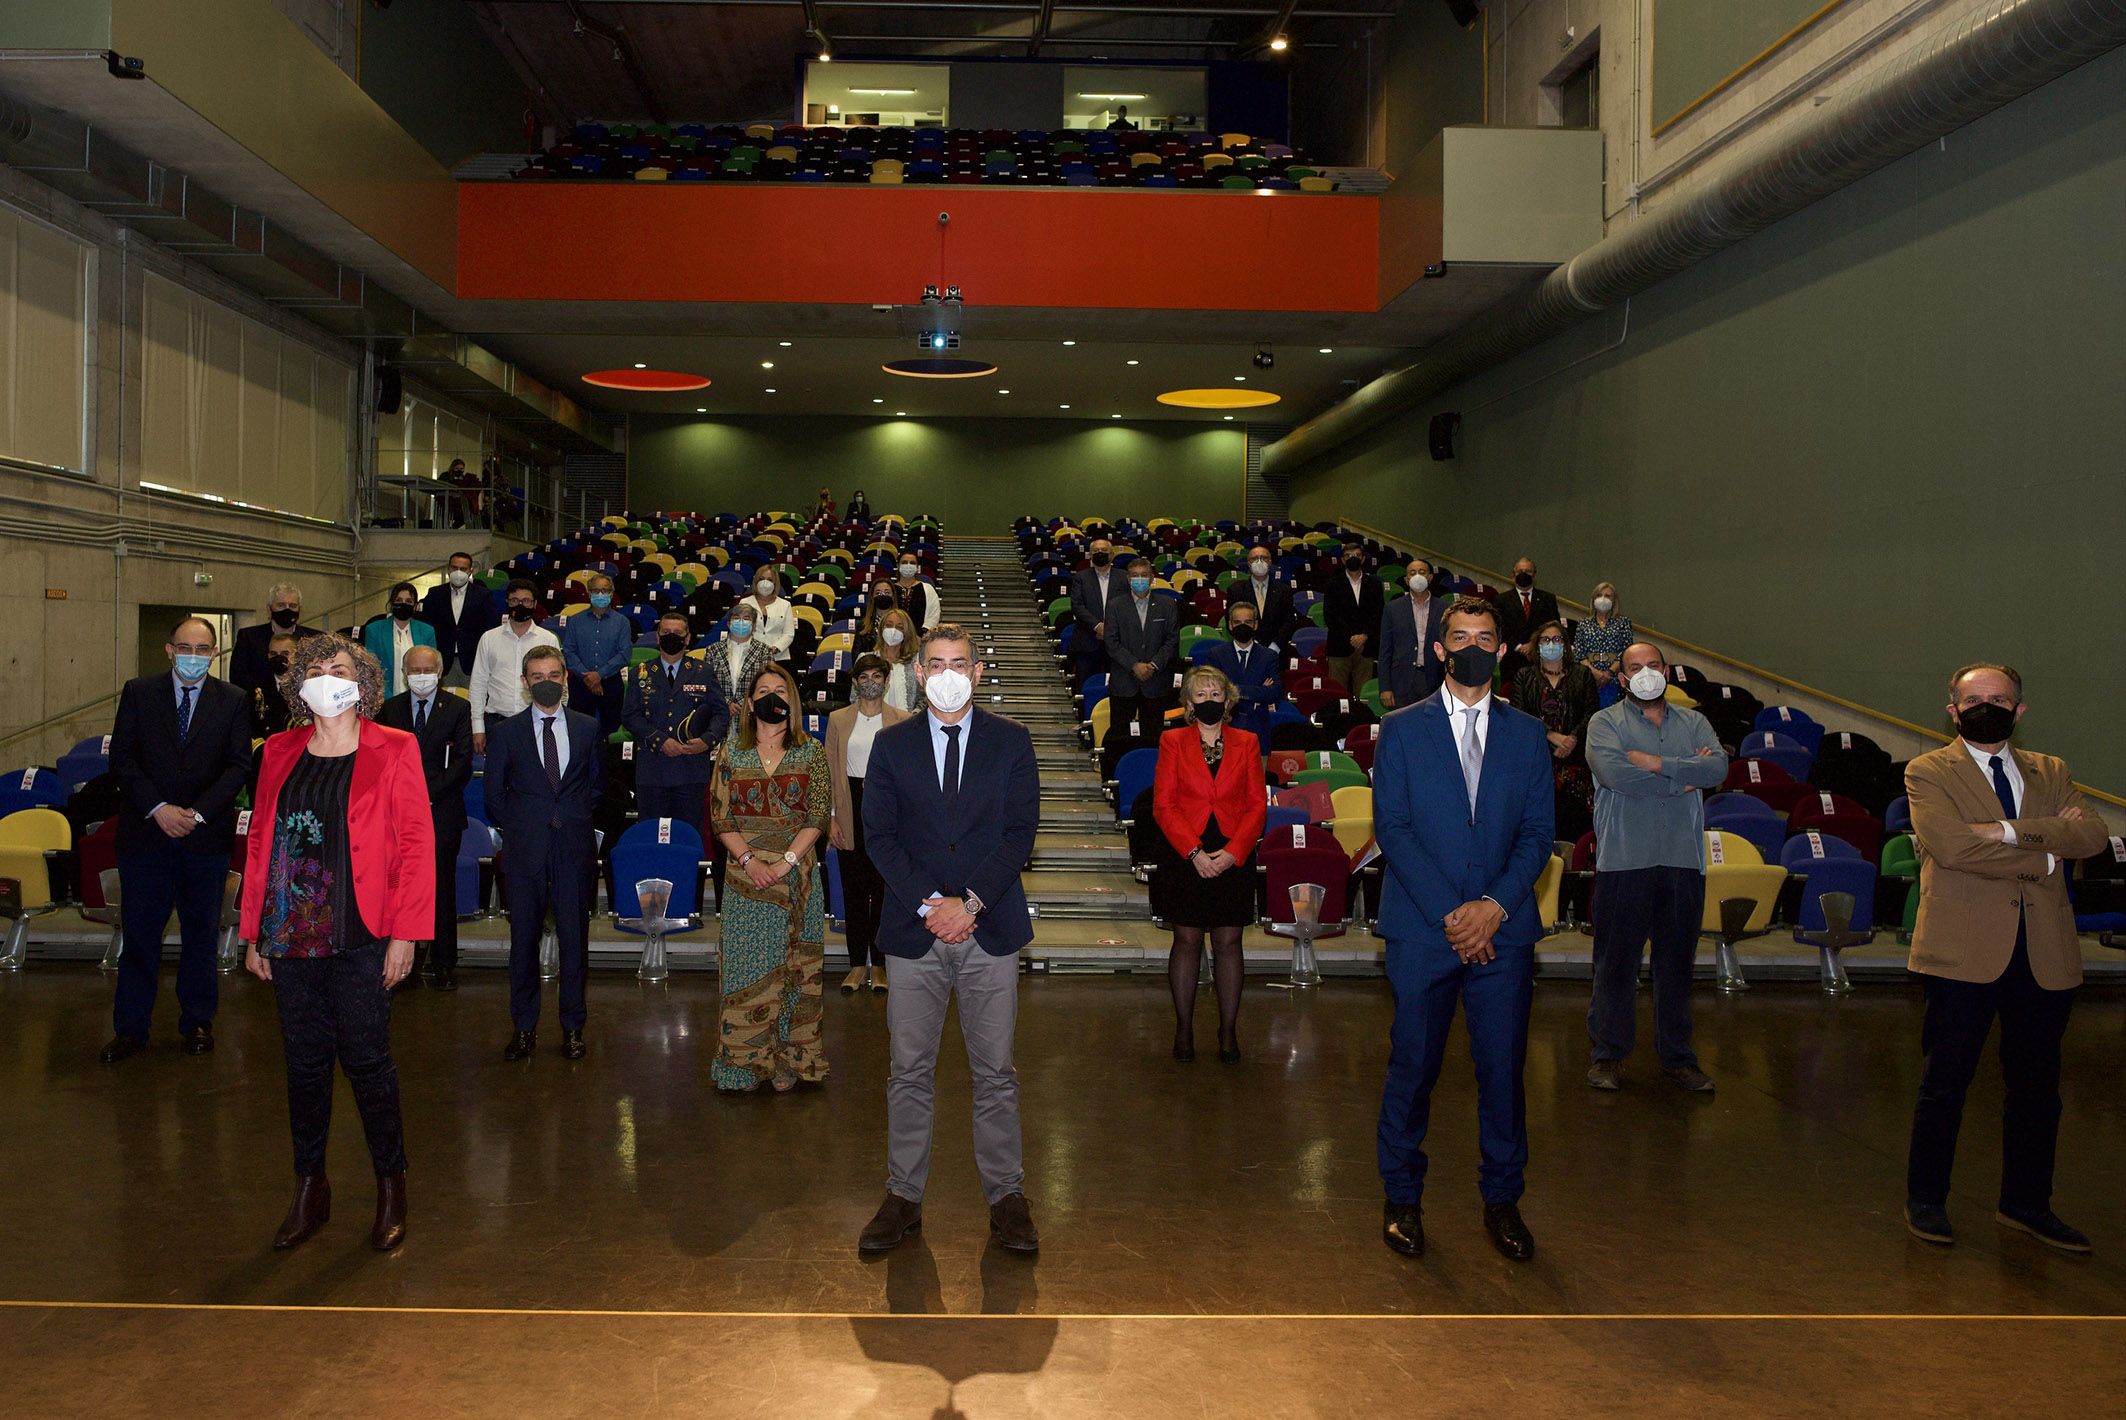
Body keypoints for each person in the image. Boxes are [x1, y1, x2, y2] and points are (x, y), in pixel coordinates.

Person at [1902, 663, 2108, 1253]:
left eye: (2000, 699)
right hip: (1961, 953)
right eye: (1974, 699)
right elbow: (1949, 845)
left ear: (2019, 710)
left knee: (2038, 1089)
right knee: (1946, 1084)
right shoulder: (1927, 769)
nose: (1986, 707)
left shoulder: (2053, 770)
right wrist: (2046, 851)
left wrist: (2006, 832)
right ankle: (1926, 1200)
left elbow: (2093, 837)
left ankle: (2026, 1205)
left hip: (2043, 953)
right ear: (1953, 709)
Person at [1372, 597, 1554, 1263]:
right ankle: (1402, 1199)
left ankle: (1502, 1200)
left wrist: (1493, 908)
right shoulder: (1400, 728)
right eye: (1460, 637)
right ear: (1440, 649)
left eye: (1486, 636)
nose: (1472, 646)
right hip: (1424, 930)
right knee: (1413, 1067)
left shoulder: (1528, 734)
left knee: (1503, 1072)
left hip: (1503, 932)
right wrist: (1455, 913)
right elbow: (1392, 826)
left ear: (1502, 652)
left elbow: (1538, 834)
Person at [238, 635, 432, 1252]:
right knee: (304, 1065)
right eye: (315, 669)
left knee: (369, 1062)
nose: (327, 676)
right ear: (298, 685)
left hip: (363, 932)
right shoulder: (277, 750)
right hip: (290, 931)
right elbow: (262, 842)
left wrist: (406, 933)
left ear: (363, 682)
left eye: (339, 667)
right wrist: (253, 933)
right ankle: (310, 1186)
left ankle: (390, 1184)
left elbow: (414, 844)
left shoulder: (396, 747)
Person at [856, 625, 1041, 1257]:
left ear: (979, 670)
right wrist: (932, 905)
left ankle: (1008, 1198)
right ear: (919, 672)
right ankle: (903, 1196)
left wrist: (973, 903)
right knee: (909, 1070)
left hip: (990, 930)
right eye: (935, 662)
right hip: (916, 932)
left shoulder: (1012, 743)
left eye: (959, 662)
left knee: (995, 1074)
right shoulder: (891, 745)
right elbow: (878, 835)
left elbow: (1020, 832)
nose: (948, 672)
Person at [99, 617, 254, 1064]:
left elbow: (238, 766)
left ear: (213, 654)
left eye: (202, 649)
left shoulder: (234, 701)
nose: (192, 655)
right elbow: (123, 760)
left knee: (201, 936)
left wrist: (197, 813)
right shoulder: (138, 692)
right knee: (140, 937)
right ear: (169, 650)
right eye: (184, 646)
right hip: (146, 835)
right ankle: (130, 1029)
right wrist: (159, 809)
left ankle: (198, 1022)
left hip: (204, 840)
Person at [1582, 642, 1728, 1094]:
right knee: (1616, 965)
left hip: (1683, 861)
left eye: (1653, 665)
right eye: (1635, 668)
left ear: (1666, 671)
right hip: (1625, 860)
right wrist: (1682, 778)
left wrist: (1657, 764)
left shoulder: (1695, 721)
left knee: (1676, 967)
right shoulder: (1604, 723)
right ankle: (1607, 1055)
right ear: (1622, 678)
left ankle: (1679, 1059)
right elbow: (1615, 774)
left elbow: (1718, 768)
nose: (1645, 673)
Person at [708, 663, 832, 1092]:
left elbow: (818, 815)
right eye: (763, 690)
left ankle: (790, 1059)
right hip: (745, 883)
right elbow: (720, 816)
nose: (772, 697)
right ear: (749, 701)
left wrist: (784, 863)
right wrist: (751, 863)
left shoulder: (811, 751)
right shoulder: (731, 752)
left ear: (793, 701)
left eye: (781, 689)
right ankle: (743, 1063)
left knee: (795, 971)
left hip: (798, 879)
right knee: (747, 971)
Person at [483, 645, 602, 1061]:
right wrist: (525, 825)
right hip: (525, 852)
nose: (546, 682)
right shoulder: (505, 733)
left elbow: (596, 786)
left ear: (566, 678)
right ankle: (524, 1028)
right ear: (524, 683)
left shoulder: (588, 728)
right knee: (523, 943)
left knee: (575, 942)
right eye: (537, 676)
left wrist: (568, 817)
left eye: (553, 674)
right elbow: (494, 796)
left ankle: (573, 1028)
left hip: (573, 849)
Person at [1151, 666, 1265, 1063]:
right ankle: (1183, 1028)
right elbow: (1163, 805)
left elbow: (1256, 805)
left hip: (1234, 850)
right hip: (1186, 850)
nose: (1210, 701)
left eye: (1217, 694)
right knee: (1186, 940)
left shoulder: (1248, 741)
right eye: (1201, 695)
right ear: (1188, 704)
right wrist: (1194, 853)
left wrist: (1235, 851)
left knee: (1229, 942)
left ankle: (1228, 1030)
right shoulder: (1172, 741)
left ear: (1228, 700)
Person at [375, 643, 474, 991]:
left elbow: (462, 763)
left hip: (442, 813)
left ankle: (445, 964)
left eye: (426, 669)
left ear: (440, 672)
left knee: (441, 890)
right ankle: (407, 967)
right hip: (396, 818)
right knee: (400, 891)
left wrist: (423, 797)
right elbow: (380, 762)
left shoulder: (459, 708)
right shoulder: (389, 709)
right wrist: (405, 801)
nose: (421, 676)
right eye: (414, 670)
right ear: (404, 674)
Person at [828, 654, 913, 994]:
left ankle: (879, 965)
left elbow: (908, 775)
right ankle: (854, 966)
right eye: (864, 676)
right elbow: (831, 771)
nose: (871, 682)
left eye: (878, 675)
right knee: (853, 889)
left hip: (886, 809)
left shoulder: (903, 720)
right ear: (855, 682)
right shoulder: (837, 719)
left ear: (887, 681)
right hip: (850, 805)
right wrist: (832, 816)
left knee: (883, 890)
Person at [623, 610, 728, 840]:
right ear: (658, 637)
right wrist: (660, 741)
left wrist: (706, 741)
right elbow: (630, 716)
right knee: (651, 837)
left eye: (678, 633)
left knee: (688, 837)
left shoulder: (703, 672)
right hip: (653, 771)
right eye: (666, 632)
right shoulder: (640, 673)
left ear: (688, 638)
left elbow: (721, 714)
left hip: (691, 770)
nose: (672, 637)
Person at [1508, 621, 1600, 841]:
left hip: (1576, 760)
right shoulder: (1524, 676)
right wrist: (1551, 735)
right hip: (1538, 759)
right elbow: (1518, 716)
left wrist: (1572, 739)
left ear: (1566, 646)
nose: (1552, 644)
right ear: (1537, 645)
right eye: (1546, 640)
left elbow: (1592, 714)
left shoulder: (1582, 674)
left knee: (1574, 826)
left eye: (1557, 639)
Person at [468, 579, 560, 753]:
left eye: (526, 601)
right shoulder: (489, 638)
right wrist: (477, 727)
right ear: (507, 603)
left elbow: (559, 684)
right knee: (498, 776)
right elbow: (478, 685)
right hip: (497, 723)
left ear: (534, 604)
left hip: (537, 721)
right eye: (515, 600)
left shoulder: (548, 639)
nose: (520, 605)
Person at [1104, 556, 1178, 741]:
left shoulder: (1167, 605)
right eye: (1135, 575)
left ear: (1152, 578)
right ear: (1128, 579)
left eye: (1144, 575)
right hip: (1124, 682)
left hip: (1156, 682)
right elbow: (1111, 641)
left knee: (1153, 737)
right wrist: (1134, 665)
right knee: (1120, 737)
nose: (1139, 579)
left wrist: (1153, 665)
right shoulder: (1115, 605)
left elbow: (1172, 640)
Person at [560, 572, 634, 739]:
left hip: (611, 685)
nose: (601, 594)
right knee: (579, 733)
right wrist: (588, 677)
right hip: (580, 684)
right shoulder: (576, 621)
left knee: (611, 732)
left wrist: (599, 675)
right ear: (589, 593)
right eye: (596, 590)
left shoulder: (622, 622)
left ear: (612, 593)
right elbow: (569, 652)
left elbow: (625, 654)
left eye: (605, 590)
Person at [1199, 602, 1282, 738]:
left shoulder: (1269, 656)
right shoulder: (1216, 654)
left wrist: (1230, 688)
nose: (1242, 626)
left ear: (1255, 625)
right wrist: (1258, 690)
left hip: (1258, 730)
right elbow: (1213, 692)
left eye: (1248, 622)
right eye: (1237, 622)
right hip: (1224, 729)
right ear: (1230, 625)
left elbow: (1274, 693)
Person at [232, 582, 319, 706]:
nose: (287, 609)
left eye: (292, 605)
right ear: (269, 609)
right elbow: (238, 677)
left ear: (299, 610)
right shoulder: (248, 637)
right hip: (259, 710)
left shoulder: (314, 639)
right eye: (281, 605)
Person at [422, 551, 498, 690]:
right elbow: (427, 626)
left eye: (463, 569)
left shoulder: (483, 595)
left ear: (470, 571)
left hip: (473, 662)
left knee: (473, 704)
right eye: (454, 568)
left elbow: (490, 628)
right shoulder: (435, 594)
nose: (458, 572)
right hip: (443, 662)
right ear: (448, 568)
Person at [1377, 557, 1445, 710]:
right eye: (1412, 573)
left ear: (1430, 578)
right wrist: (1385, 687)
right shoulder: (1392, 608)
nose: (1417, 576)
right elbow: (1385, 650)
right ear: (1407, 580)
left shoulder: (1444, 608)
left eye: (1422, 572)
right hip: (1402, 680)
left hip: (1433, 679)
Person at [1323, 544, 1384, 696]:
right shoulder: (1332, 584)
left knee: (1363, 694)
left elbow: (1378, 614)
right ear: (1342, 560)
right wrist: (1351, 637)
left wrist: (1364, 636)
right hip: (1339, 646)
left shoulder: (1375, 584)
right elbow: (1330, 616)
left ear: (1363, 559)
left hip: (1366, 646)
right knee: (1337, 693)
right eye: (1348, 556)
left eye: (1357, 555)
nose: (1353, 558)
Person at [361, 583, 436, 698]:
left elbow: (432, 667)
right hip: (384, 697)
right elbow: (371, 669)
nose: (403, 604)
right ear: (392, 603)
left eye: (409, 601)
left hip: (420, 696)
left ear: (415, 606)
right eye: (399, 600)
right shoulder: (374, 629)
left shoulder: (427, 631)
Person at [707, 607, 772, 738]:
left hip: (752, 717)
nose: (741, 622)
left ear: (753, 626)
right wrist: (726, 703)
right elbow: (707, 683)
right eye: (736, 618)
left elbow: (768, 684)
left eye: (746, 619)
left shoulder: (764, 651)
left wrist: (744, 704)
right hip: (719, 717)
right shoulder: (713, 650)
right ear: (728, 623)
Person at [1069, 537, 1122, 680]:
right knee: (1086, 685)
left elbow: (1127, 607)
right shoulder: (1081, 577)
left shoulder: (1123, 578)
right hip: (1087, 642)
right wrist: (1098, 626)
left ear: (1111, 555)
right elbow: (1077, 606)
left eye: (1104, 550)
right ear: (1090, 555)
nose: (1100, 553)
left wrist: (1110, 629)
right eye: (1096, 551)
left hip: (1118, 643)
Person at [1226, 544, 1296, 649]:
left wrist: (1275, 646)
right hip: (1246, 647)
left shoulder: (1284, 590)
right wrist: (1250, 645)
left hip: (1277, 651)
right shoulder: (1236, 590)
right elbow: (1231, 619)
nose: (1260, 561)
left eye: (1264, 558)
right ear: (1249, 564)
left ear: (1270, 562)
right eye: (1254, 558)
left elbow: (1289, 621)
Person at [1572, 581, 1633, 700]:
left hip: (1614, 678)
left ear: (1614, 600)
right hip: (1589, 677)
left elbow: (1626, 651)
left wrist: (1609, 673)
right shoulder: (1583, 623)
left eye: (1608, 596)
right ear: (1593, 599)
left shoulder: (1623, 622)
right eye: (1599, 595)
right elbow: (1579, 653)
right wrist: (1595, 673)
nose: (1603, 599)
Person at [1495, 557, 1561, 658]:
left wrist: (1533, 644)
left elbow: (1554, 625)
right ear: (1513, 576)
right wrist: (1518, 646)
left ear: (1534, 576)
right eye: (1520, 571)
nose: (1524, 574)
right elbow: (1500, 626)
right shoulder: (1501, 599)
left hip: (1541, 654)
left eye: (1528, 571)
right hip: (1510, 656)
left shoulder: (1548, 599)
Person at [252, 632, 303, 737]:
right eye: (273, 654)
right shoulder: (257, 689)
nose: (278, 658)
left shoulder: (306, 687)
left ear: (297, 656)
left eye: (285, 654)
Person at [874, 608, 923, 713]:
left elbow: (925, 697)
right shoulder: (866, 660)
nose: (893, 630)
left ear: (906, 633)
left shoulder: (918, 662)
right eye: (889, 625)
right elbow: (856, 697)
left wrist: (913, 716)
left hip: (908, 724)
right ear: (881, 628)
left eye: (900, 627)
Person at [742, 569, 797, 660]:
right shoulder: (745, 602)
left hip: (778, 657)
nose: (765, 583)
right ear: (756, 581)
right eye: (762, 578)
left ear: (775, 583)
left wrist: (775, 648)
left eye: (770, 580)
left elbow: (789, 633)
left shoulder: (785, 605)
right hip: (749, 656)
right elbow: (741, 630)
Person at [890, 554, 941, 634]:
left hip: (919, 639)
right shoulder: (890, 589)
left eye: (912, 563)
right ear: (898, 565)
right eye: (904, 562)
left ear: (917, 567)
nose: (908, 565)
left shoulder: (928, 589)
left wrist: (921, 635)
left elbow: (933, 615)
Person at [856, 581, 899, 654]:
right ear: (872, 597)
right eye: (878, 593)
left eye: (887, 593)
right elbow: (856, 654)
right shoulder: (862, 626)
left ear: (893, 597)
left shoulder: (902, 623)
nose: (882, 595)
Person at [444, 456, 484, 528]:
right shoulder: (447, 477)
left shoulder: (467, 479)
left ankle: (453, 527)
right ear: (452, 468)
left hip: (464, 504)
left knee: (468, 512)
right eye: (457, 468)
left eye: (461, 469)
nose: (459, 470)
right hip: (452, 503)